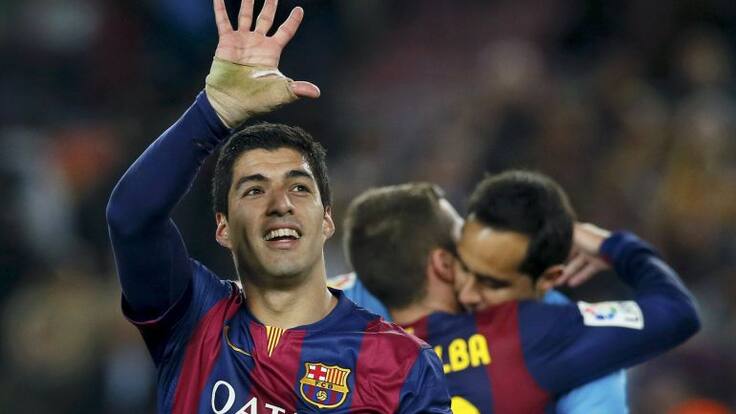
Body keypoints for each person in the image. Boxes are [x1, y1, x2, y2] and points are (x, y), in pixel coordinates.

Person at [106, 1, 451, 413]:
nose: (280, 204)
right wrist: (213, 112)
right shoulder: (194, 318)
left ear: (327, 219)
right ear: (223, 228)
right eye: (254, 190)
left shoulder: (402, 364)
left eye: (299, 188)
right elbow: (131, 218)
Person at [342, 172, 700, 413]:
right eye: (463, 260)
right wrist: (613, 246)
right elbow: (677, 311)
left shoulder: (338, 355)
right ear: (443, 264)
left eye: (492, 282)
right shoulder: (529, 330)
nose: (469, 294)